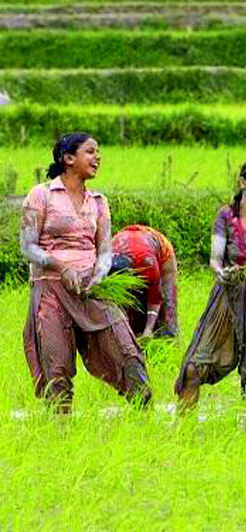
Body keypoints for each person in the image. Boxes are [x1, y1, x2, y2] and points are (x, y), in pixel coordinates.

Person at [19, 133, 151, 412]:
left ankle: (146, 425)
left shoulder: (99, 201)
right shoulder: (41, 194)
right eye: (90, 152)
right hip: (51, 290)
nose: (98, 157)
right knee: (57, 369)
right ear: (69, 159)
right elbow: (27, 246)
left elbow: (104, 251)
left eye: (98, 152)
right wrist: (60, 266)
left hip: (92, 289)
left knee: (128, 355)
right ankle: (60, 434)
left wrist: (98, 275)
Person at [174, 159, 246, 411]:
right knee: (194, 369)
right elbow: (216, 259)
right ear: (243, 182)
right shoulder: (226, 215)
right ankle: (181, 434)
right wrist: (222, 272)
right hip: (227, 299)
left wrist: (245, 271)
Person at [111, 225, 179, 339]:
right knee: (132, 305)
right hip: (131, 240)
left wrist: (148, 329)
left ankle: (168, 339)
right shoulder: (108, 260)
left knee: (168, 305)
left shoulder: (147, 262)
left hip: (162, 254)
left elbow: (155, 298)